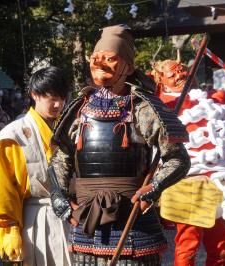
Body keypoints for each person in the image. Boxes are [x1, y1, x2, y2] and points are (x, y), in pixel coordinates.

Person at [50, 25, 189, 265]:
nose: (101, 64)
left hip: (132, 221)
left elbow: (178, 159)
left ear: (129, 67)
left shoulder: (143, 108)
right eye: (96, 59)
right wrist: (61, 200)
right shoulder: (79, 108)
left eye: (110, 59)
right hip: (87, 220)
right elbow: (61, 157)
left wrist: (154, 187)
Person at [151, 59, 225, 265]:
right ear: (161, 80)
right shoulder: (159, 104)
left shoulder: (217, 98)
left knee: (219, 247)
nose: (180, 76)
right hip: (187, 181)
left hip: (221, 180)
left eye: (183, 70)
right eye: (172, 74)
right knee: (187, 246)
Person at [0, 66, 72, 265]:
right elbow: (2, 190)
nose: (58, 104)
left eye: (62, 97)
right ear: (35, 95)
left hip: (72, 217)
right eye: (52, 98)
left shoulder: (69, 130)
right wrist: (11, 230)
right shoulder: (13, 135)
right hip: (35, 219)